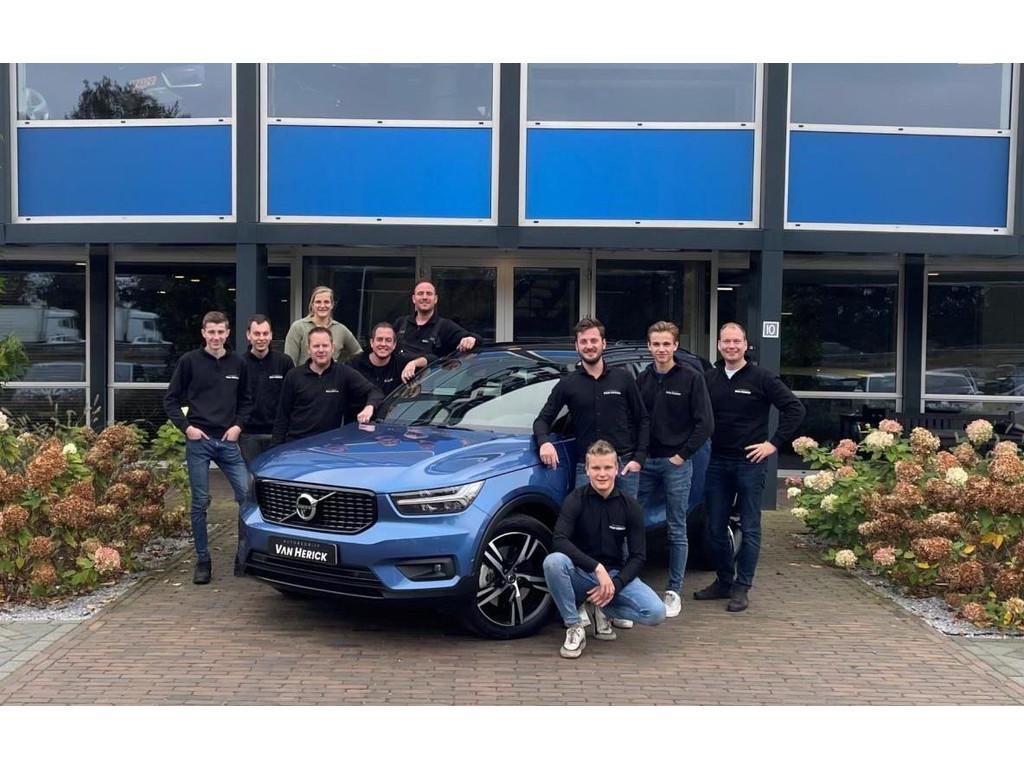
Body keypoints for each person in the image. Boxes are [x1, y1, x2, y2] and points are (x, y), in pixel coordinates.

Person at [693, 322, 805, 612]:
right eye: (726, 341)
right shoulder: (709, 379)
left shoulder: (762, 378)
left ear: (746, 345)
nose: (731, 346)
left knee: (750, 527)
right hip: (717, 462)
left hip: (750, 463)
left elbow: (795, 409)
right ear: (718, 345)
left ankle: (742, 587)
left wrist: (773, 444)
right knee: (714, 528)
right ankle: (724, 581)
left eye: (736, 341)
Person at [542, 440, 666, 659]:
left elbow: (638, 556)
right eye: (596, 468)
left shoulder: (630, 505)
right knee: (553, 562)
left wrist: (615, 585)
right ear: (587, 470)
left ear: (617, 469)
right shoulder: (575, 499)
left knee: (656, 613)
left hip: (614, 575)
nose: (602, 474)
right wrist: (596, 568)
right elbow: (559, 540)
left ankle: (602, 607)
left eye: (607, 467)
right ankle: (574, 626)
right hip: (580, 573)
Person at [163, 311, 253, 586]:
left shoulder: (238, 363)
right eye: (211, 332)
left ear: (228, 334)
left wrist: (238, 426)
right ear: (203, 333)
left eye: (220, 332)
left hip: (228, 441)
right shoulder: (189, 362)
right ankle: (203, 561)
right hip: (199, 441)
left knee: (247, 496)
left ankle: (244, 555)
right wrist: (187, 428)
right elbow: (170, 400)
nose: (216, 337)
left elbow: (247, 401)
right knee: (200, 502)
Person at [637, 321, 714, 618]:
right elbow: (635, 420)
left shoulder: (691, 379)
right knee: (634, 523)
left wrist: (682, 456)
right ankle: (632, 584)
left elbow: (705, 423)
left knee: (676, 527)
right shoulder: (643, 379)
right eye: (656, 344)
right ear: (649, 346)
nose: (661, 349)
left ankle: (673, 591)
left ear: (675, 346)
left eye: (666, 344)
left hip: (676, 464)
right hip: (646, 464)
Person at [533, 317, 649, 498]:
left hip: (624, 466)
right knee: (587, 516)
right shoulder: (567, 384)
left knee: (626, 516)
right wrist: (544, 442)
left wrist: (639, 459)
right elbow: (542, 420)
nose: (589, 346)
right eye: (584, 341)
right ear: (576, 346)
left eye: (594, 340)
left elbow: (642, 419)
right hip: (587, 468)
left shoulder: (623, 378)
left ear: (604, 344)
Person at [272, 327, 383, 445]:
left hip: (329, 446)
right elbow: (282, 417)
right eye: (316, 346)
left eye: (325, 346)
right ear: (308, 349)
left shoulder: (343, 373)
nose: (321, 350)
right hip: (297, 445)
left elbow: (375, 391)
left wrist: (369, 407)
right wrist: (275, 447)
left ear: (332, 348)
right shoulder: (293, 376)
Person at [240, 314, 294, 464]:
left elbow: (292, 398)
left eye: (265, 333)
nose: (261, 338)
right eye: (257, 334)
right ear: (248, 335)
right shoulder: (239, 364)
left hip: (278, 434)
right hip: (248, 435)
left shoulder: (284, 362)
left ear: (271, 335)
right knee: (252, 475)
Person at [394, 280, 480, 361]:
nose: (424, 297)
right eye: (420, 293)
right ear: (413, 299)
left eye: (429, 294)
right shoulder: (400, 323)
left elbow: (479, 340)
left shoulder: (446, 326)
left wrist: (471, 339)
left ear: (435, 299)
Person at [283, 286, 362, 366]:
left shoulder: (341, 330)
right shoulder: (298, 327)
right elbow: (289, 361)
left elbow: (359, 354)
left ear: (332, 305)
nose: (322, 305)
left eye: (326, 302)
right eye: (318, 302)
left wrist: (344, 369)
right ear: (312, 304)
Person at [347, 321, 428, 397]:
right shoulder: (354, 364)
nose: (383, 344)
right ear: (372, 343)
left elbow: (430, 359)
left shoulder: (400, 361)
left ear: (394, 345)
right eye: (379, 339)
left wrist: (413, 363)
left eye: (388, 340)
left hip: (391, 407)